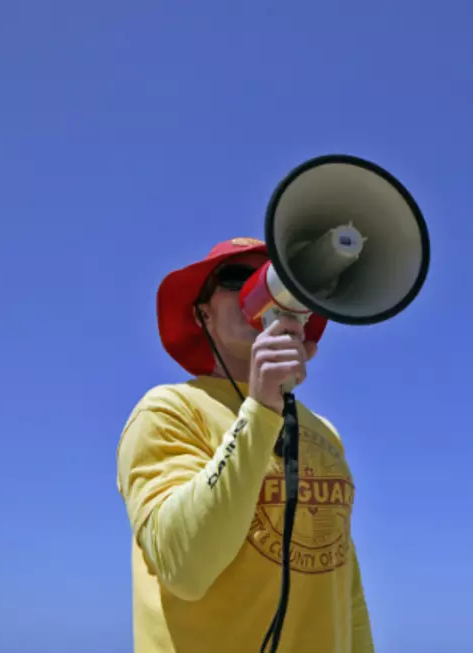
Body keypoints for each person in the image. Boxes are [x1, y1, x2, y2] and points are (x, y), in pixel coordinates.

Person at [116, 236, 374, 652]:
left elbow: (345, 585)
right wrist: (259, 411)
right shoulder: (169, 410)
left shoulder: (325, 433)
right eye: (237, 277)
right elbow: (184, 565)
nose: (259, 286)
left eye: (271, 276)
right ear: (203, 315)